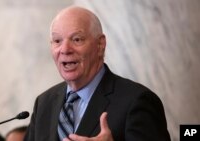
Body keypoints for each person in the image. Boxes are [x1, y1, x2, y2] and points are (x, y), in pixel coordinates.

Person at [24, 6, 171, 141]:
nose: (65, 49)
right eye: (57, 41)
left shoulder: (137, 101)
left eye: (77, 39)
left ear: (100, 45)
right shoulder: (44, 103)